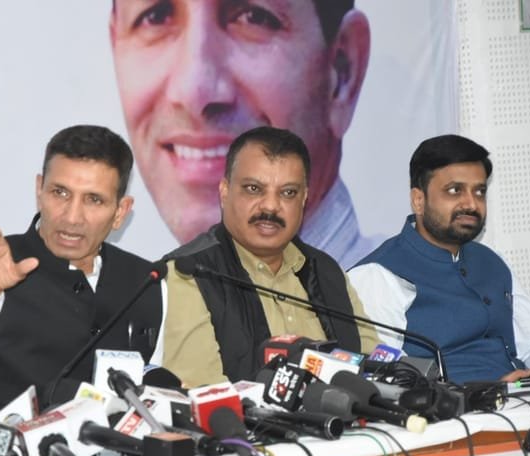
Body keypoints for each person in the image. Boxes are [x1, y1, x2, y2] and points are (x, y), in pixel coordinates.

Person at [0, 125, 163, 423]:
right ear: (39, 190)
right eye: (60, 193)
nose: (72, 217)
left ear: (120, 211)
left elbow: (149, 398)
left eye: (94, 199)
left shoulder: (147, 281)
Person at [110, 0, 375, 267]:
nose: (195, 92)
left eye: (254, 17)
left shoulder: (393, 292)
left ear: (343, 72)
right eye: (156, 17)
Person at [158, 126, 379, 387]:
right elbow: (204, 391)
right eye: (254, 189)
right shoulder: (189, 273)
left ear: (304, 199)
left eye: (288, 193)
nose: (271, 206)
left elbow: (373, 369)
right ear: (224, 191)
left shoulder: (326, 271)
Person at [348, 134, 530, 384]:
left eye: (479, 191)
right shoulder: (378, 274)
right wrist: (486, 392)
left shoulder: (492, 262)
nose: (471, 203)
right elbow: (387, 377)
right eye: (454, 190)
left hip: (529, 398)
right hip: (451, 406)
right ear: (418, 200)